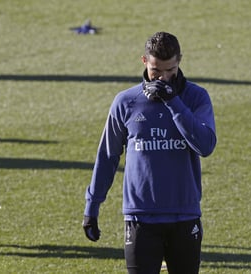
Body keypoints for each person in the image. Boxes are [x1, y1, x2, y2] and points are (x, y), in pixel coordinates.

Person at [82, 31, 217, 274]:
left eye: (170, 70)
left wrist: (173, 102)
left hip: (184, 216)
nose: (164, 78)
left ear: (180, 61)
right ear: (144, 61)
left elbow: (205, 145)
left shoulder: (196, 98)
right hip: (140, 219)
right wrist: (92, 206)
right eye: (157, 71)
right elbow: (107, 157)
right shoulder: (125, 102)